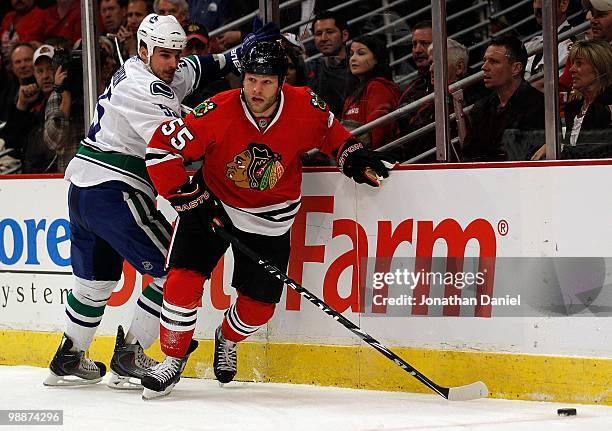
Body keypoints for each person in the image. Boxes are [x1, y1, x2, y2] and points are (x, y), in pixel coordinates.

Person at [141, 40, 393, 399]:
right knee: (182, 281)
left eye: (265, 82)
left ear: (281, 81)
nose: (255, 90)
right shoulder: (215, 110)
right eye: (250, 80)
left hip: (270, 218)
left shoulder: (305, 105)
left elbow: (332, 134)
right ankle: (172, 359)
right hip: (211, 204)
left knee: (258, 309)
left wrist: (352, 156)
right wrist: (189, 199)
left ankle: (226, 338)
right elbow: (160, 149)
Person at [43, 13, 276, 389]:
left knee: (94, 283)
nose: (173, 63)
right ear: (144, 50)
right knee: (177, 267)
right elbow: (176, 144)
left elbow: (197, 69)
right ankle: (130, 354)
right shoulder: (143, 89)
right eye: (165, 55)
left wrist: (239, 55)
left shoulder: (148, 69)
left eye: (175, 53)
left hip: (85, 188)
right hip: (115, 189)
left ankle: (68, 357)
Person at [462, 36, 545, 161]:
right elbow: (469, 154)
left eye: (494, 62)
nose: (484, 67)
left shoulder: (539, 105)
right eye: (485, 60)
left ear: (516, 68)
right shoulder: (481, 107)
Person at [3, 44, 57, 173]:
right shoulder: (33, 103)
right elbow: (11, 143)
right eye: (40, 71)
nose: (45, 76)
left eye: (51, 69)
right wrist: (21, 105)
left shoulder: (73, 100)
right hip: (33, 177)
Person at [341, 35, 400, 150]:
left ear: (376, 59)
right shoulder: (354, 91)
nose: (353, 58)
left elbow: (378, 134)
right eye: (351, 54)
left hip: (370, 161)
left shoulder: (378, 87)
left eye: (361, 53)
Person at [562, 40, 612, 155]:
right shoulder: (573, 107)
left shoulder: (607, 104)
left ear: (599, 67)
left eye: (579, 63)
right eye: (573, 63)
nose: (571, 69)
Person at [306, 10, 357, 116]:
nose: (324, 38)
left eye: (330, 32)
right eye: (318, 34)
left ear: (345, 35)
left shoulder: (357, 67)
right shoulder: (311, 69)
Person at [397, 20, 433, 135]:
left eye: (424, 43)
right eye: (414, 44)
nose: (417, 50)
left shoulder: (457, 80)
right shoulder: (410, 90)